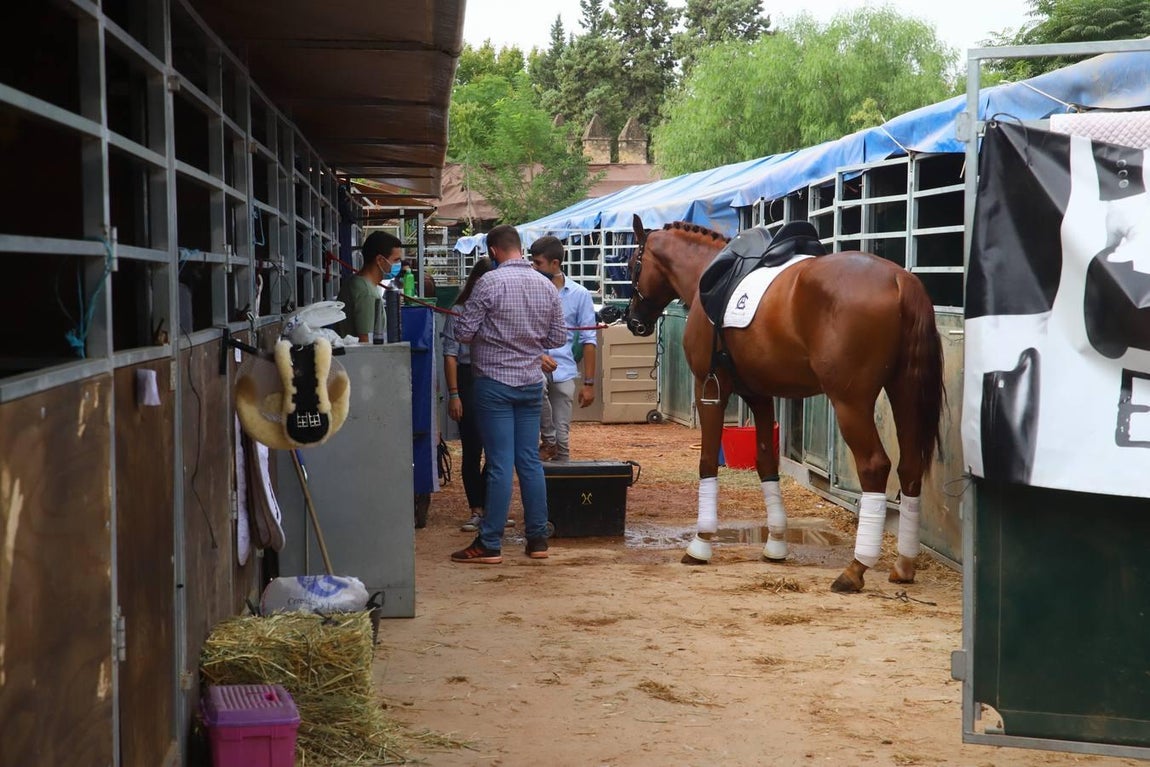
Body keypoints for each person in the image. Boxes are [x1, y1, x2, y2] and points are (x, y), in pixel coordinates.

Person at [450, 225, 567, 563]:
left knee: (499, 463)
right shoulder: (544, 285)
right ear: (520, 248)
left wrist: (494, 334)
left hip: (494, 384)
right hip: (531, 383)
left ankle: (490, 543)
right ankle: (537, 540)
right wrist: (528, 341)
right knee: (529, 461)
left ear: (493, 250)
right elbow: (558, 338)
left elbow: (463, 331)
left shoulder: (489, 282)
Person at [442, 257, 504, 532]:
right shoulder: (458, 310)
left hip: (493, 376)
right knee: (472, 448)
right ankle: (476, 508)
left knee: (496, 449)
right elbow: (451, 355)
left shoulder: (500, 311)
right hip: (468, 378)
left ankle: (490, 506)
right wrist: (454, 394)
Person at [529, 236, 598, 462]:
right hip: (534, 363)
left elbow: (589, 338)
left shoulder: (580, 294)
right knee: (537, 387)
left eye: (538, 263)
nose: (533, 267)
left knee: (563, 440)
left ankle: (561, 492)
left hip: (564, 367)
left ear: (555, 264)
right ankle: (548, 440)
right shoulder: (529, 289)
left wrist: (588, 384)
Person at [335, 231, 404, 342]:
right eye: (396, 260)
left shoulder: (357, 283)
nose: (399, 264)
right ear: (380, 260)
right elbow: (366, 343)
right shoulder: (366, 292)